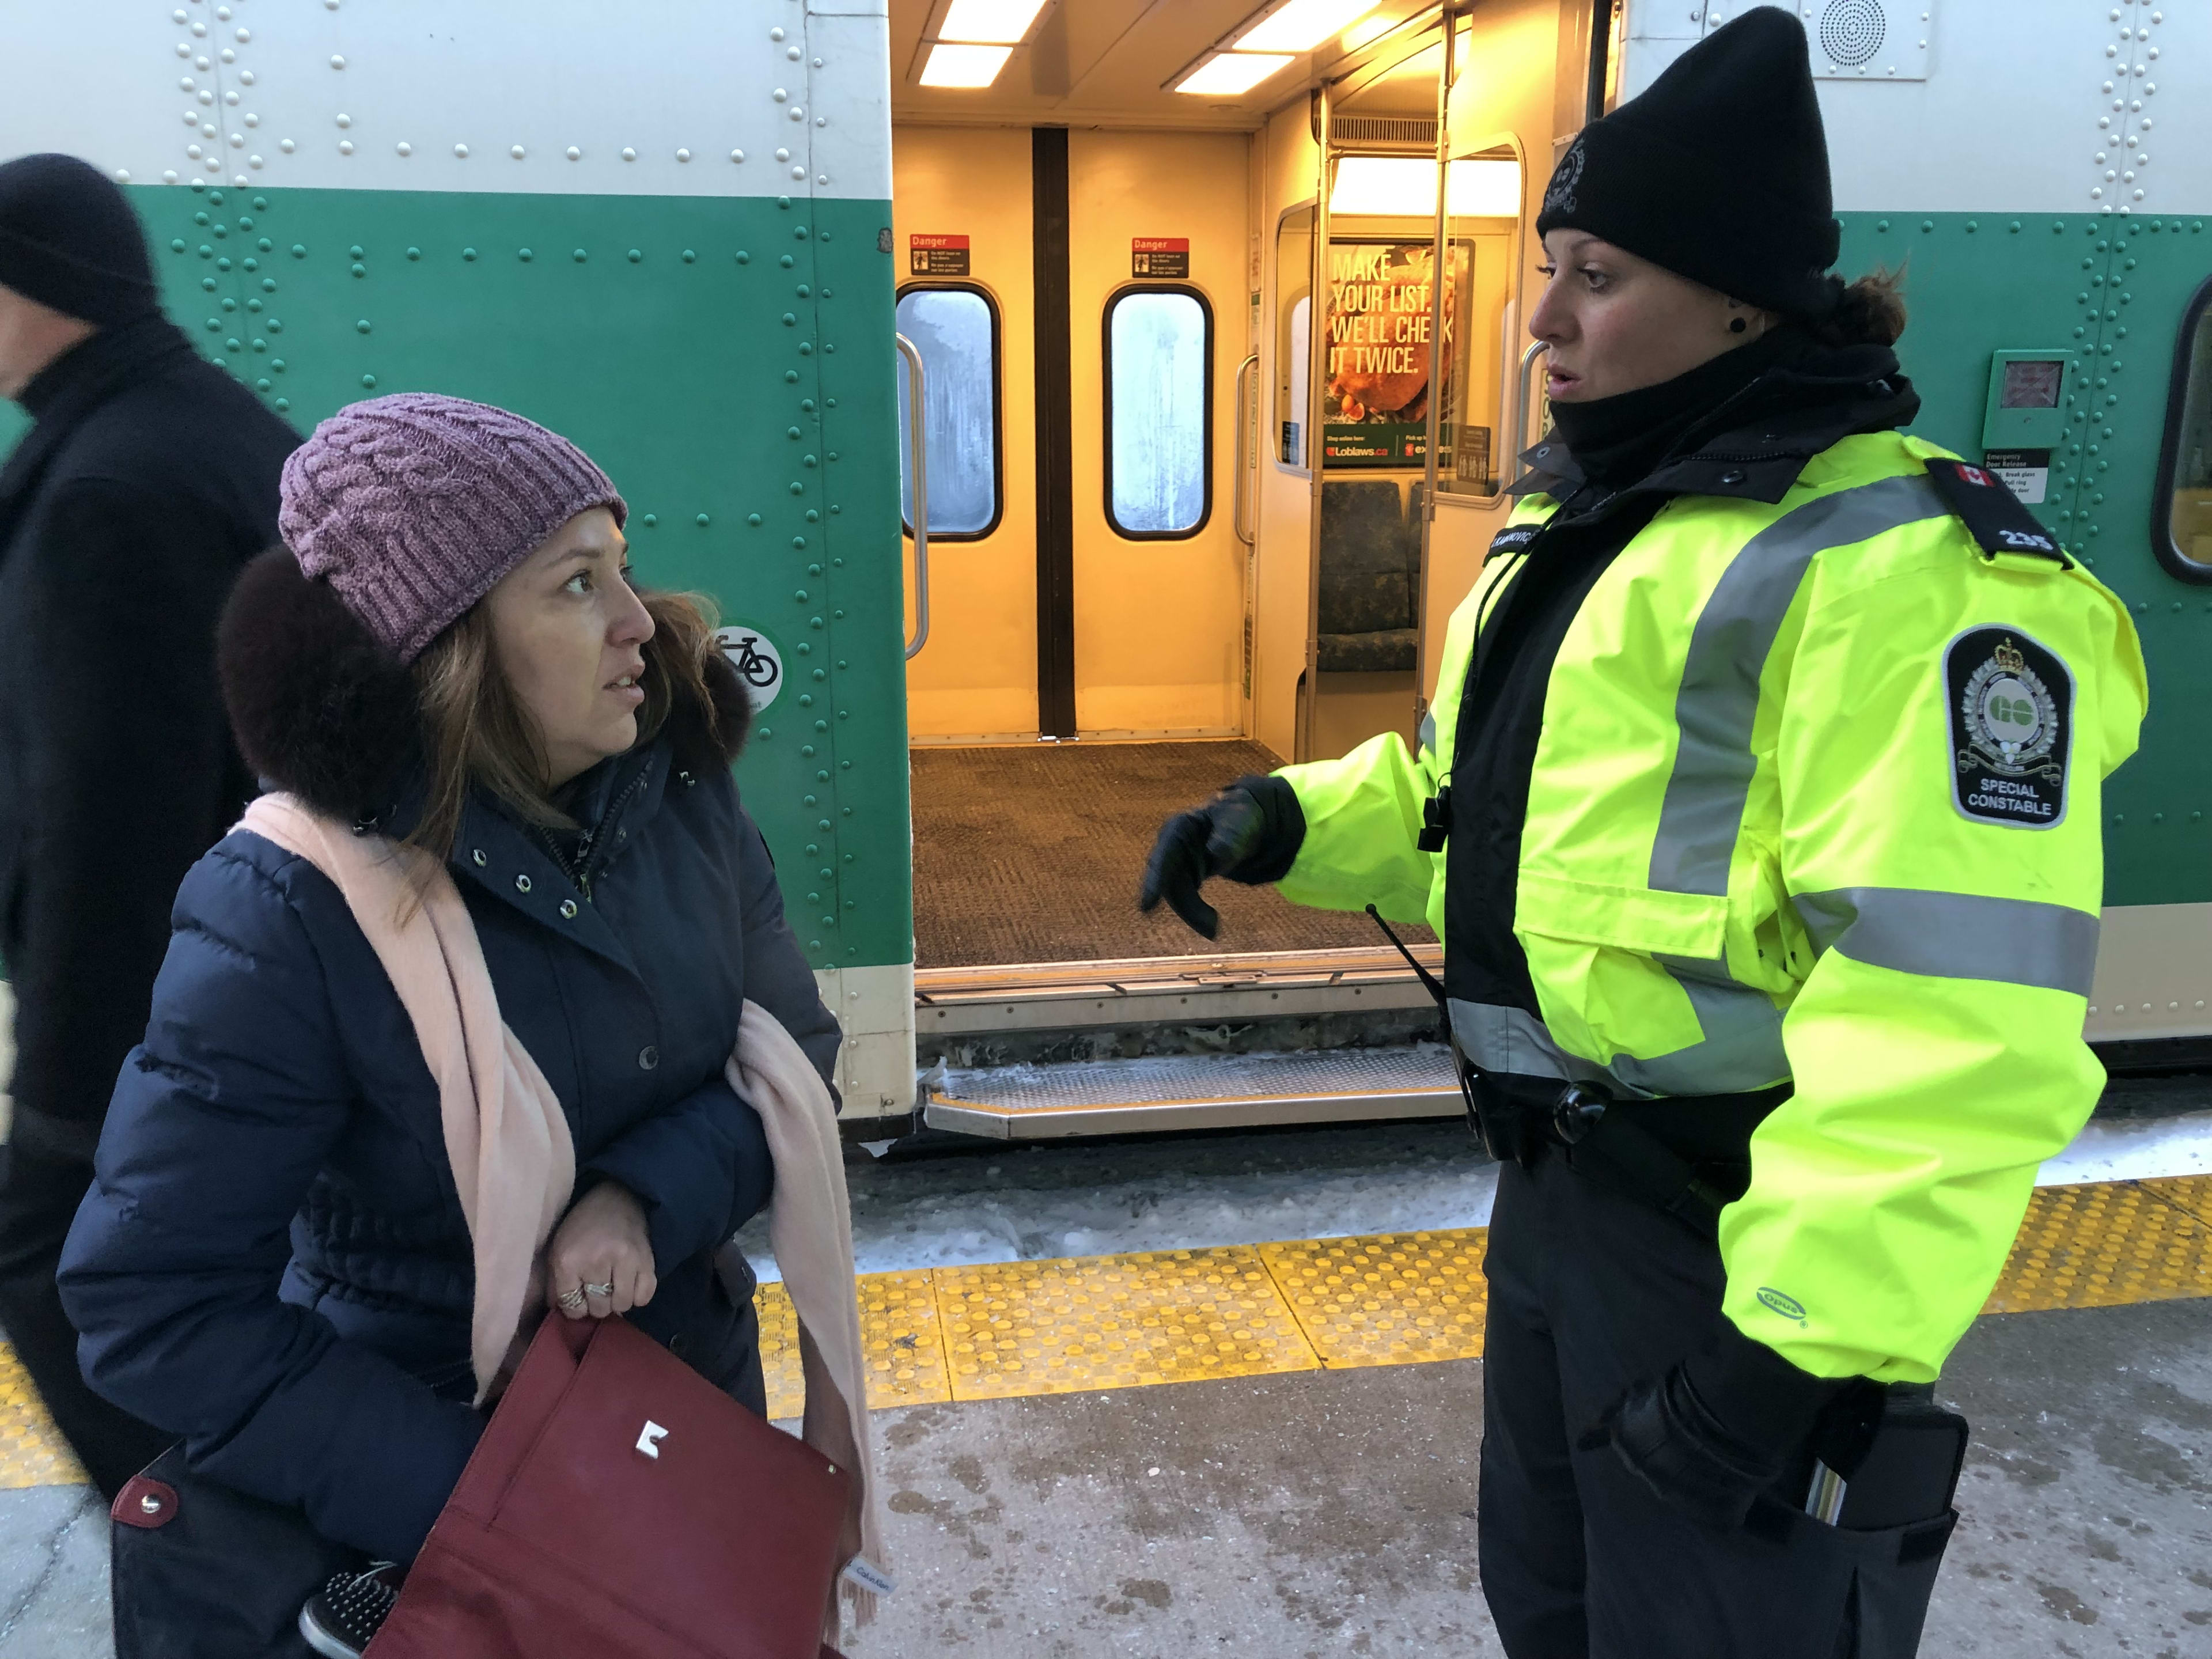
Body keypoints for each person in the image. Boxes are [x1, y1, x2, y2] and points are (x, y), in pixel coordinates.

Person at [1141, 14, 2145, 1658]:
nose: (1542, 316)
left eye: (1596, 273)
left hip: (1738, 1248)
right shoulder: (1593, 527)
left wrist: (1795, 1356)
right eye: (1555, 265)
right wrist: (1280, 821)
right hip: (1561, 1206)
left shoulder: (1910, 578)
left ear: (1740, 292)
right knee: (1550, 1608)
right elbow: (1473, 805)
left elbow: (1958, 1032)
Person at [58, 393, 838, 1654]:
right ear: (448, 645)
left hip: (685, 1435)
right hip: (439, 1498)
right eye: (577, 585)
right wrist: (483, 1499)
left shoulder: (683, 799)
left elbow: (791, 1055)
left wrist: (642, 1197)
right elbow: (154, 1304)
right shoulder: (291, 908)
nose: (642, 625)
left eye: (624, 571)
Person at [0, 152, 297, 1499]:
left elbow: (109, 827)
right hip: (271, 984)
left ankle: (231, 1556)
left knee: (49, 1267)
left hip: (178, 1015)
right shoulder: (215, 424)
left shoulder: (110, 488)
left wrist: (67, 1106)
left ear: (35, 290)